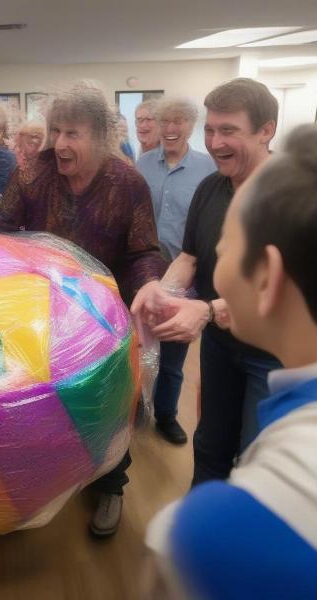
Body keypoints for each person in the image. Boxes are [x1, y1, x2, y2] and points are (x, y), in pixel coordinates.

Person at [144, 124, 317, 600]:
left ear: (268, 278)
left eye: (227, 247)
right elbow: (188, 259)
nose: (215, 256)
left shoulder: (207, 538)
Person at [0, 80, 165, 537]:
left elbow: (144, 250)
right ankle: (43, 481)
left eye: (73, 134)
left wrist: (148, 287)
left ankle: (111, 484)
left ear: (101, 136)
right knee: (45, 403)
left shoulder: (127, 183)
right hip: (40, 315)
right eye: (56, 131)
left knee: (109, 406)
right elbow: (0, 232)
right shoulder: (33, 173)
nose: (60, 144)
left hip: (106, 320)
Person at [132, 78, 282, 485]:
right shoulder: (211, 188)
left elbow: (287, 288)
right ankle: (204, 542)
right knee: (211, 446)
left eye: (229, 131)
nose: (215, 142)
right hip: (221, 346)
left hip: (275, 356)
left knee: (260, 461)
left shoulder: (296, 195)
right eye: (211, 130)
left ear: (266, 130)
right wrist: (162, 290)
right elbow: (189, 257)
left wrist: (209, 309)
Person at [136, 98, 215, 445]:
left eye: (179, 121)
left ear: (190, 125)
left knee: (172, 353)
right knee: (136, 347)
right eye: (164, 120)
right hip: (145, 274)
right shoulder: (143, 164)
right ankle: (133, 409)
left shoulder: (207, 169)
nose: (170, 128)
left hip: (186, 277)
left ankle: (166, 414)